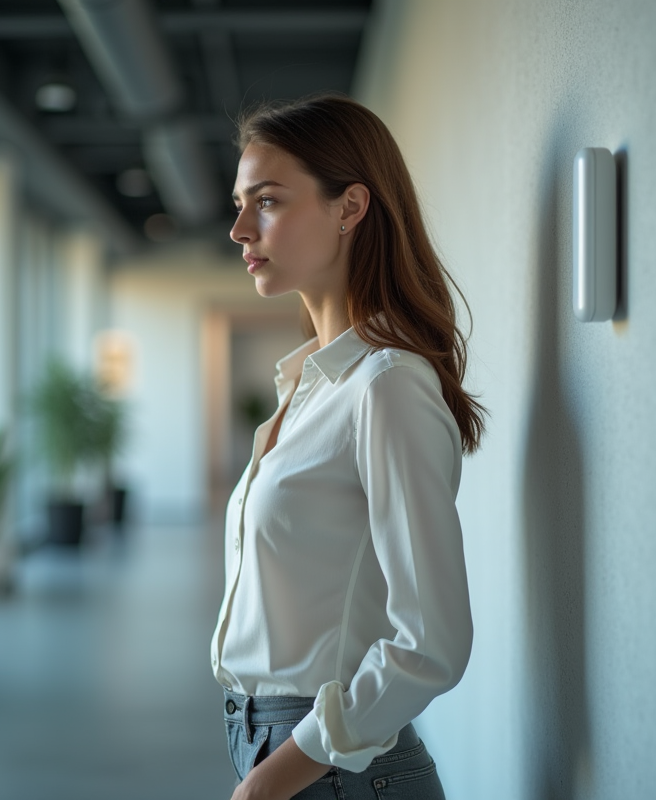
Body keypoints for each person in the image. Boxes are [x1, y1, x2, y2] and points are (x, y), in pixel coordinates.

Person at [213, 94, 485, 800]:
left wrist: (274, 779)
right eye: (240, 203)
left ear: (349, 207)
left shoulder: (386, 385)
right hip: (274, 750)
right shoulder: (307, 381)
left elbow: (431, 642)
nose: (240, 228)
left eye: (266, 202)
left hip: (332, 773)